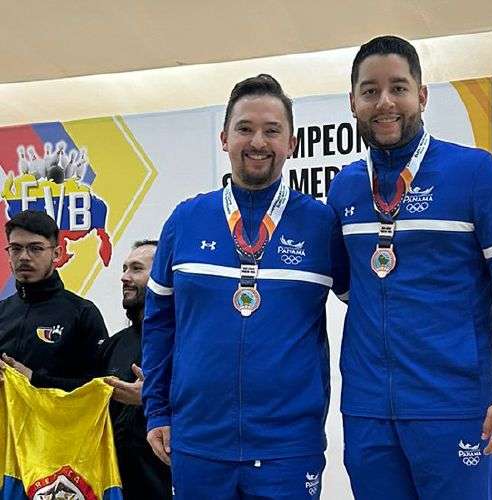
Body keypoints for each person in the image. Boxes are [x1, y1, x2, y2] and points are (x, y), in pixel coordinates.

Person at [326, 35, 492, 499]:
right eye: (370, 90)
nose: (385, 102)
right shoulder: (344, 189)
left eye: (398, 88)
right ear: (353, 102)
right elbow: (351, 287)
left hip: (455, 406)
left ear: (422, 96)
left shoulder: (475, 173)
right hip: (367, 412)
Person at [142, 74, 347, 499]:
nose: (258, 141)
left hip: (288, 449)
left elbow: (372, 311)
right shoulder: (186, 220)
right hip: (199, 445)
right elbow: (159, 324)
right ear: (224, 138)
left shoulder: (321, 224)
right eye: (245, 128)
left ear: (291, 142)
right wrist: (157, 409)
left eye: (272, 131)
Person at [0, 210, 107, 391]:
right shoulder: (3, 310)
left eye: (35, 248)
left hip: (59, 419)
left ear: (56, 254)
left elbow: (100, 388)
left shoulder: (82, 313)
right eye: (16, 248)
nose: (24, 257)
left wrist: (34, 379)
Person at [98, 240, 171, 499]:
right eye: (124, 268)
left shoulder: (188, 340)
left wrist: (152, 399)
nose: (124, 277)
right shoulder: (114, 344)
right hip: (119, 485)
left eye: (136, 269)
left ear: (163, 276)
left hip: (170, 483)